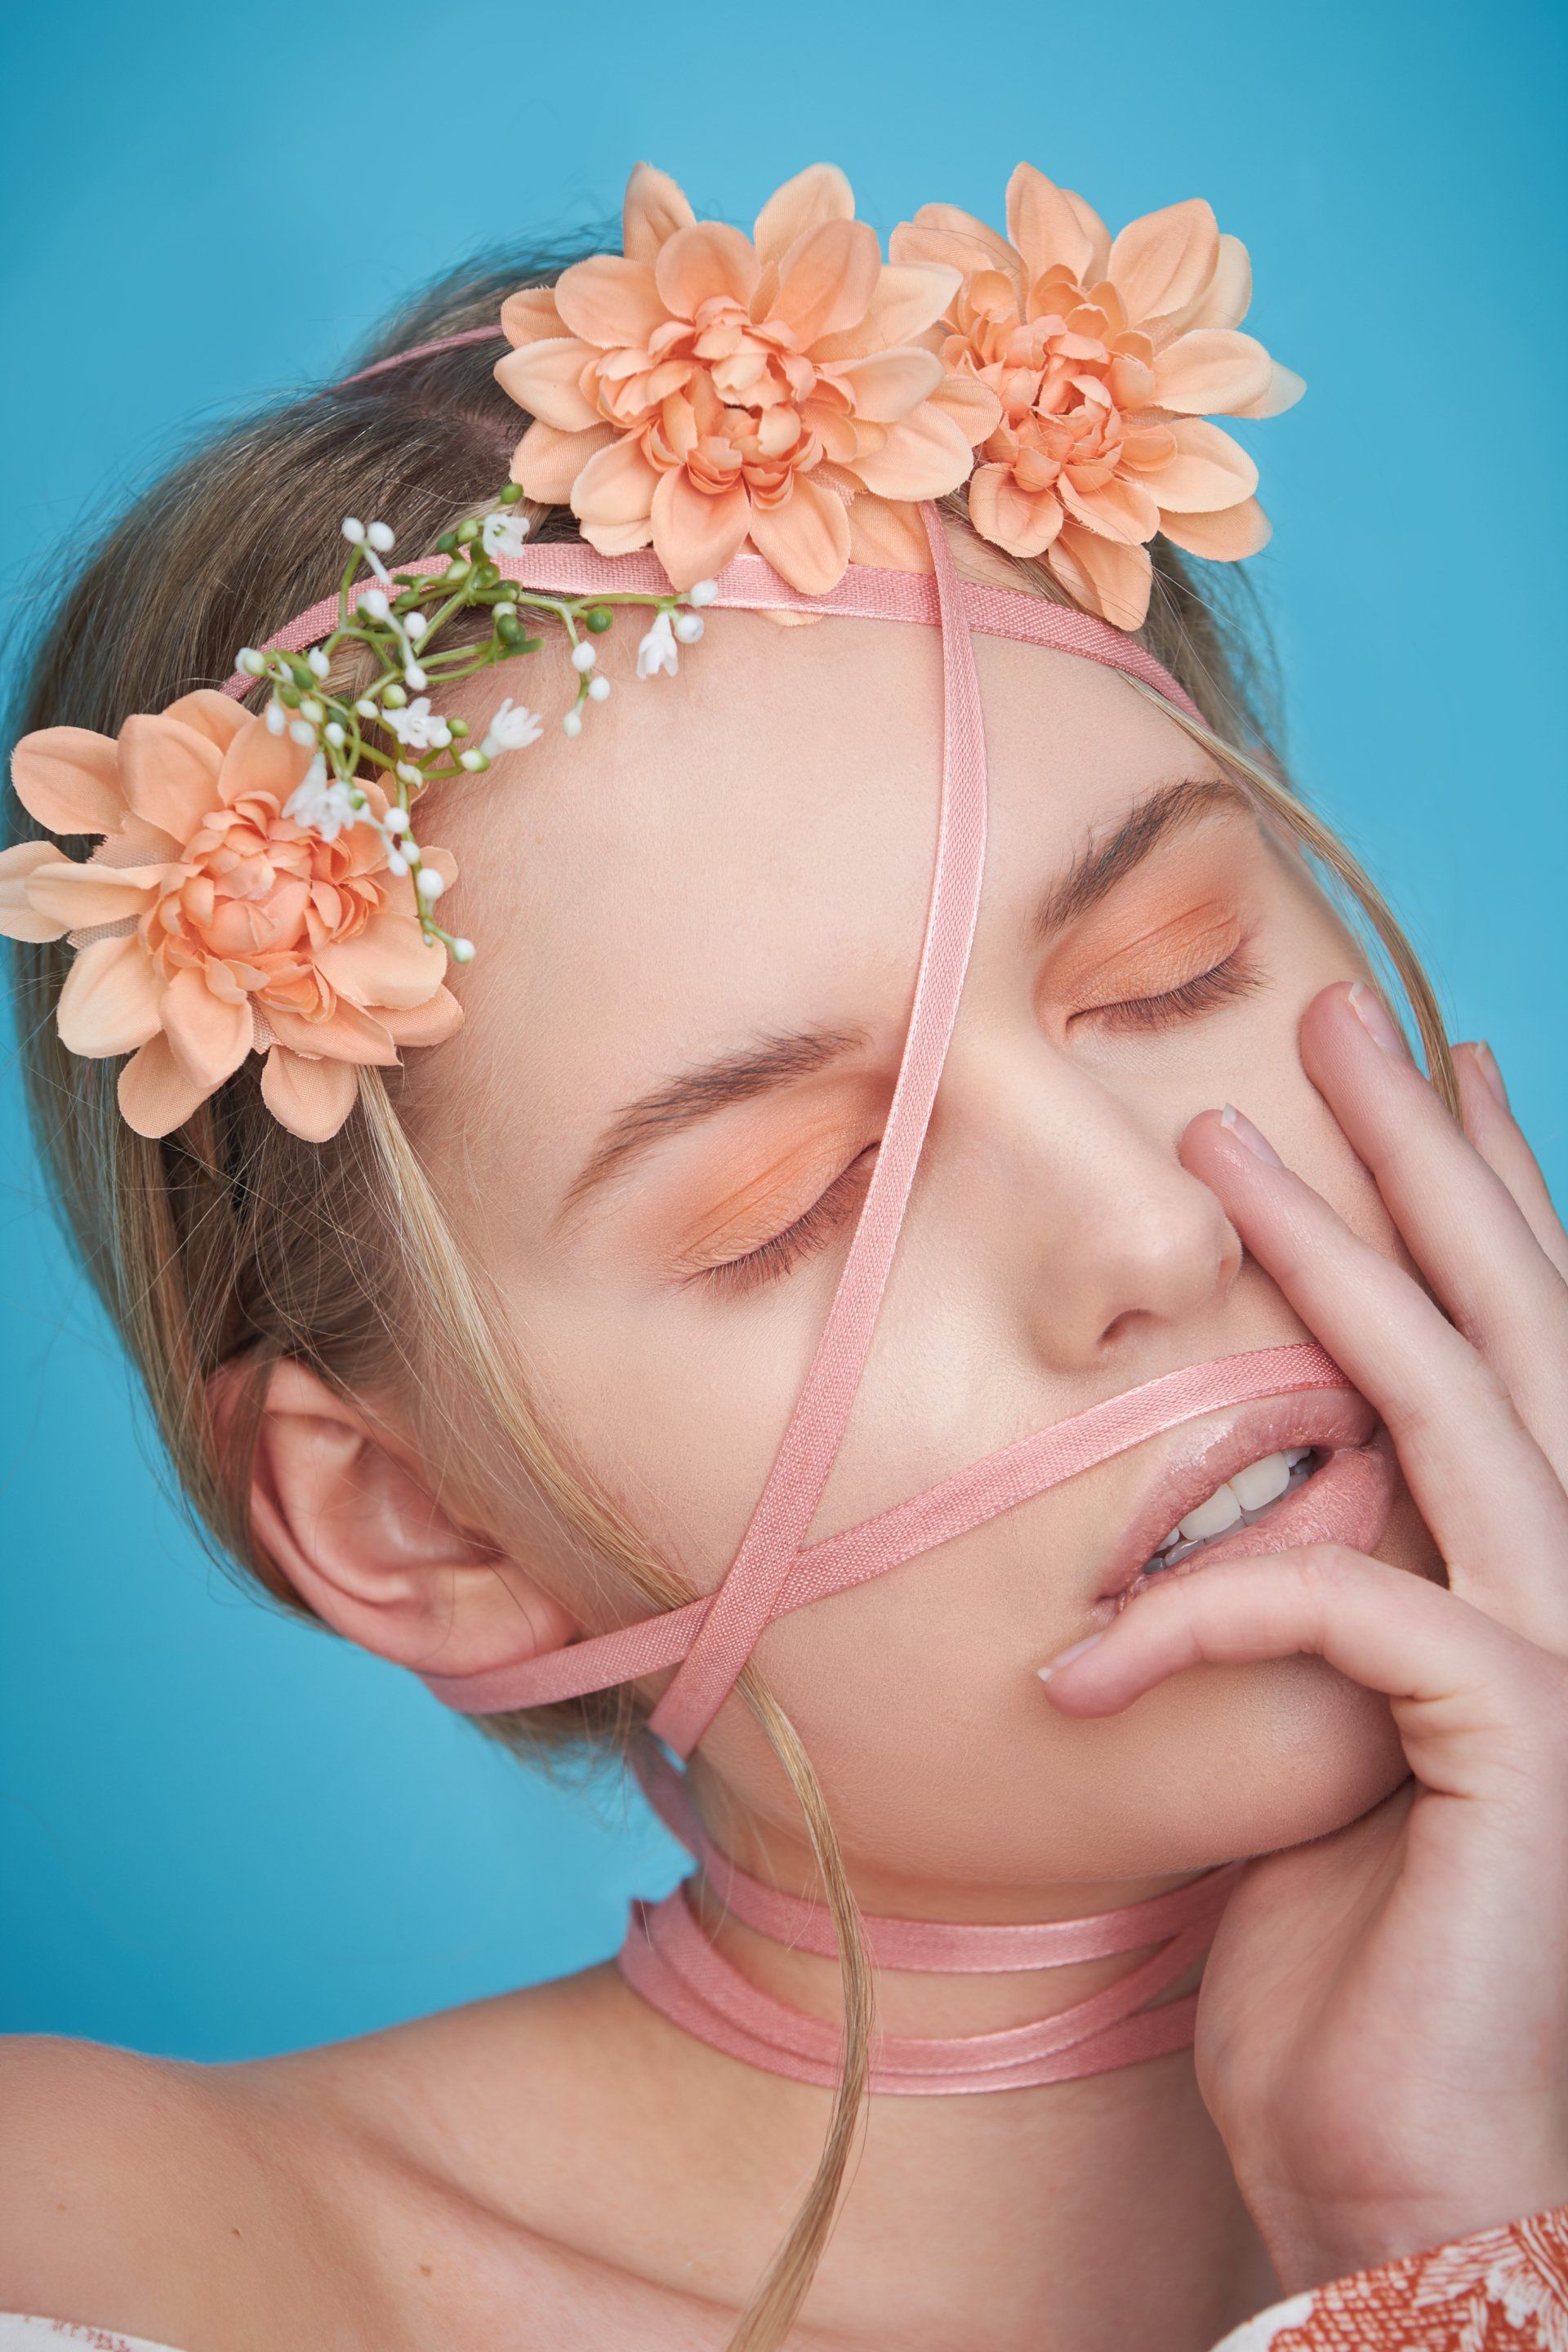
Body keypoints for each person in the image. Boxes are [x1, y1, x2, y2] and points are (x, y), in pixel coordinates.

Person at [2, 160, 1566, 2352]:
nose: (1146, 1229)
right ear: (422, 1524)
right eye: (796, 1204)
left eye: (1165, 976)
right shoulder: (88, 2254)